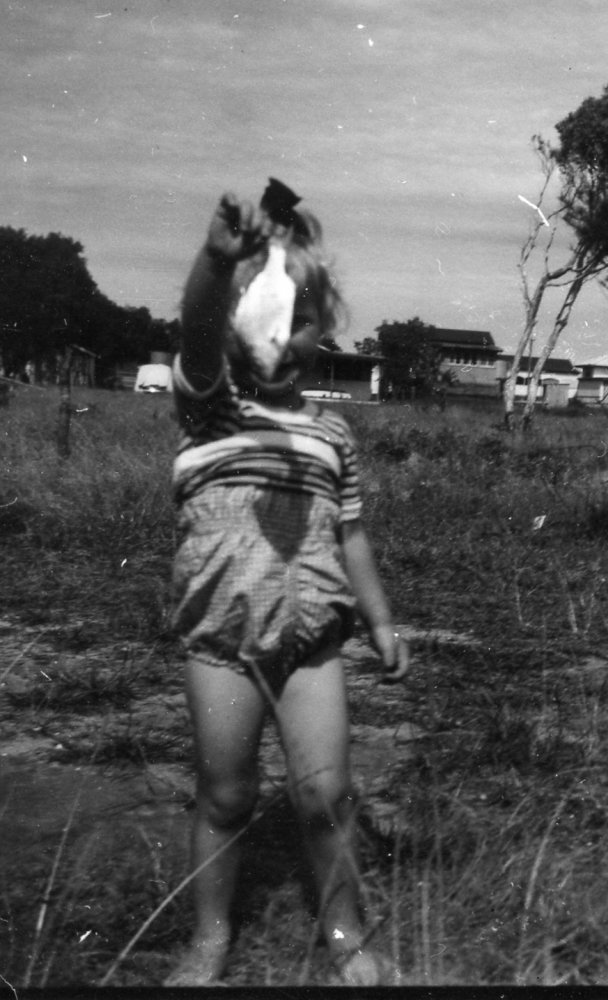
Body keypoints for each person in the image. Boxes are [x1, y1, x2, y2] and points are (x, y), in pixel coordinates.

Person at [165, 180, 409, 987]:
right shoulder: (211, 411)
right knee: (226, 797)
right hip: (223, 639)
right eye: (262, 317)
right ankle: (209, 938)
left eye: (300, 319)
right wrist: (214, 262)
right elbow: (196, 327)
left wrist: (377, 622)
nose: (282, 337)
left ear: (321, 330)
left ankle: (344, 933)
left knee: (327, 795)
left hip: (313, 640)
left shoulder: (331, 434)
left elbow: (351, 533)